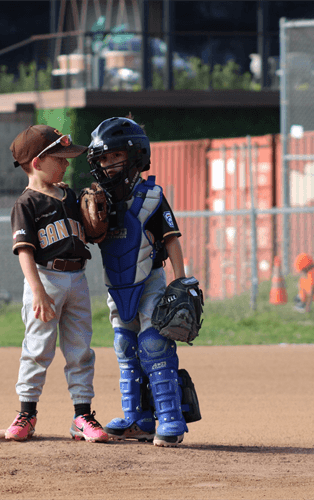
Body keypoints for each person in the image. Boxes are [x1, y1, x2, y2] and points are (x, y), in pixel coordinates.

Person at [86, 116, 190, 447]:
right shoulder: (99, 201)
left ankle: (171, 418)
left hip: (152, 281)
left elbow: (172, 239)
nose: (107, 164)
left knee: (153, 345)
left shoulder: (152, 196)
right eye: (102, 158)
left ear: (135, 156)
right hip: (116, 286)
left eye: (114, 156)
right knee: (124, 347)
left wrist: (181, 281)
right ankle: (137, 419)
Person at [7, 125, 109, 443]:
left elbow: (93, 233)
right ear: (37, 163)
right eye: (59, 158)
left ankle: (82, 416)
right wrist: (37, 290)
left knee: (80, 350)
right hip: (45, 279)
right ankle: (26, 414)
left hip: (77, 277)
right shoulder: (26, 204)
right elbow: (25, 250)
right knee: (38, 349)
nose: (66, 164)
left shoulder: (70, 196)